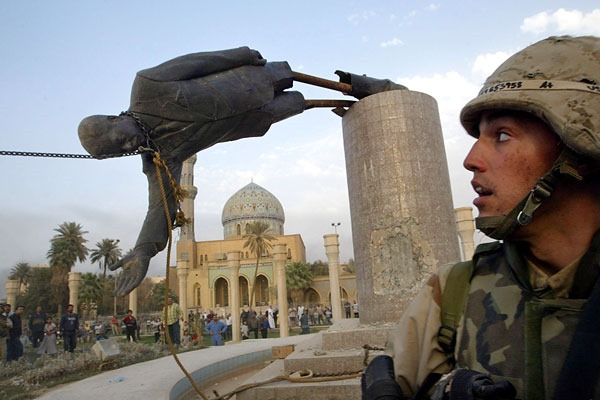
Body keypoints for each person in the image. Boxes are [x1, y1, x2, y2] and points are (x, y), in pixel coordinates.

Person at [375, 36, 600, 400]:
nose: (471, 160)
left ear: (581, 152)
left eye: (502, 135)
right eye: (479, 136)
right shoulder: (452, 293)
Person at [78, 46, 404, 297]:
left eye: (121, 139)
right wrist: (143, 250)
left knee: (292, 77)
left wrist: (240, 54)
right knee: (297, 103)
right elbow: (160, 207)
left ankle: (360, 86)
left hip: (241, 83)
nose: (129, 145)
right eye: (122, 151)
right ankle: (342, 104)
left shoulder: (147, 86)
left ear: (113, 118)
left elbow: (197, 63)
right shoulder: (159, 157)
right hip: (250, 119)